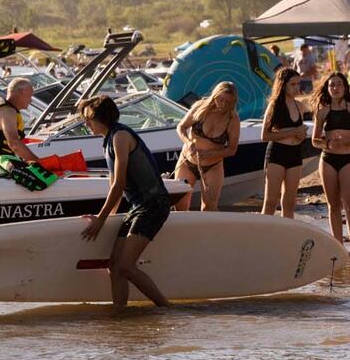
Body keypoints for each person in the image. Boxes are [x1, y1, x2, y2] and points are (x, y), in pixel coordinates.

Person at [78, 95, 170, 310]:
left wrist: (100, 220)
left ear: (101, 117)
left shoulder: (120, 136)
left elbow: (118, 184)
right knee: (114, 267)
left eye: (88, 118)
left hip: (153, 204)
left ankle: (166, 309)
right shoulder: (107, 140)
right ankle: (120, 314)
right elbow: (115, 188)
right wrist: (109, 219)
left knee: (126, 267)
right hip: (137, 207)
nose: (86, 123)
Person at [312, 73, 350, 255]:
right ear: (328, 90)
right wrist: (328, 143)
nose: (335, 88)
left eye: (338, 85)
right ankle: (338, 247)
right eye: (331, 86)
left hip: (348, 159)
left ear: (345, 88)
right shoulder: (322, 112)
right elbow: (314, 140)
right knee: (333, 205)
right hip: (328, 159)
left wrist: (345, 142)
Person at [173, 81, 241, 211]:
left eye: (227, 102)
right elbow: (181, 127)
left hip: (213, 166)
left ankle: (204, 231)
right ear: (215, 95)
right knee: (180, 206)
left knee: (209, 208)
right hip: (187, 161)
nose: (222, 104)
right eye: (220, 99)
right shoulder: (200, 107)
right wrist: (188, 142)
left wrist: (210, 154)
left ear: (232, 102)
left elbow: (232, 149)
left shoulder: (232, 119)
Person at [261, 68, 307, 218]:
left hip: (295, 153)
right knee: (270, 202)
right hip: (277, 153)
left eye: (298, 84)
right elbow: (265, 135)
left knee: (289, 202)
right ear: (283, 85)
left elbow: (299, 134)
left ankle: (286, 237)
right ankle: (261, 236)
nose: (296, 88)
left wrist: (301, 134)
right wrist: (293, 132)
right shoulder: (274, 106)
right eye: (292, 84)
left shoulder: (299, 105)